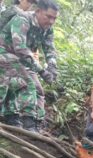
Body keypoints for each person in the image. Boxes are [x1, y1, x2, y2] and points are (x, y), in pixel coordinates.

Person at [0, 0, 59, 132]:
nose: (51, 21)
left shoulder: (48, 29)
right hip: (5, 53)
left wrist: (52, 67)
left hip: (24, 60)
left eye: (54, 18)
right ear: (38, 11)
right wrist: (42, 71)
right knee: (27, 84)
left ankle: (36, 124)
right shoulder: (22, 19)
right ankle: (28, 124)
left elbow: (49, 49)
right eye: (48, 16)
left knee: (38, 90)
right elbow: (19, 48)